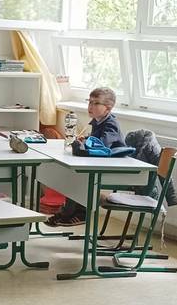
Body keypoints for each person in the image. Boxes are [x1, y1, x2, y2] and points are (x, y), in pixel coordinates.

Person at [46, 86, 126, 227]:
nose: (90, 106)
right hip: (97, 163)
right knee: (72, 174)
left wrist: (86, 142)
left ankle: (80, 213)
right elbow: (95, 141)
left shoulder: (111, 124)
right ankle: (68, 212)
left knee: (79, 177)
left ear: (108, 108)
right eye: (89, 102)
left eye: (96, 103)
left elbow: (102, 145)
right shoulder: (97, 122)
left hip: (112, 167)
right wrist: (86, 139)